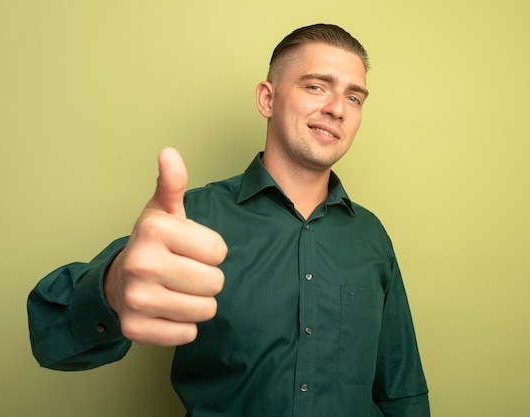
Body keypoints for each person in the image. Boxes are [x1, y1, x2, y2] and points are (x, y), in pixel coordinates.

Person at [28, 23, 430, 417]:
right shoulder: (195, 217)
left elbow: (401, 388)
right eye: (316, 86)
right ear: (267, 100)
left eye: (354, 97)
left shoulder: (371, 236)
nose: (337, 108)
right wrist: (112, 289)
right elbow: (51, 337)